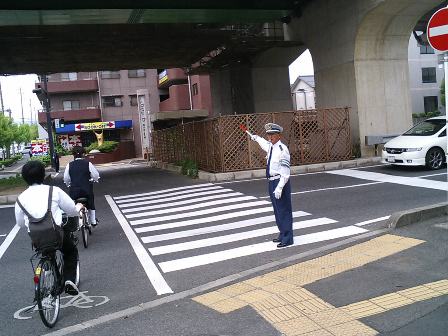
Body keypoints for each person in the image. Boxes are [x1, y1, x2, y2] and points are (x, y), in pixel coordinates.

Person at [15, 160, 83, 295]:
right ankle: (69, 280)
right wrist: (77, 210)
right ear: (42, 175)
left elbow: (20, 223)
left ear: (25, 178)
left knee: (48, 253)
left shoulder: (20, 198)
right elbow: (71, 210)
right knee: (70, 252)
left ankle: (56, 281)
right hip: (56, 234)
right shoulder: (54, 191)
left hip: (37, 237)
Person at [249, 123, 293, 248]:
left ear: (279, 135)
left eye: (272, 134)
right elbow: (264, 144)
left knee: (283, 210)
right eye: (268, 134)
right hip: (271, 181)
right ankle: (282, 233)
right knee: (277, 210)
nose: (270, 137)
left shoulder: (282, 150)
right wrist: (256, 138)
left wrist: (279, 187)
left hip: (280, 181)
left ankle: (288, 238)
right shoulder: (271, 147)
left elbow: (285, 171)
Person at [64, 146, 100, 226]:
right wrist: (95, 179)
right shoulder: (88, 164)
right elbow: (95, 175)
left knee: (73, 204)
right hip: (86, 189)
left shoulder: (69, 165)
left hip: (74, 191)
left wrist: (68, 184)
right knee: (91, 202)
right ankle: (93, 221)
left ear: (73, 155)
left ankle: (75, 221)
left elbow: (66, 178)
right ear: (83, 154)